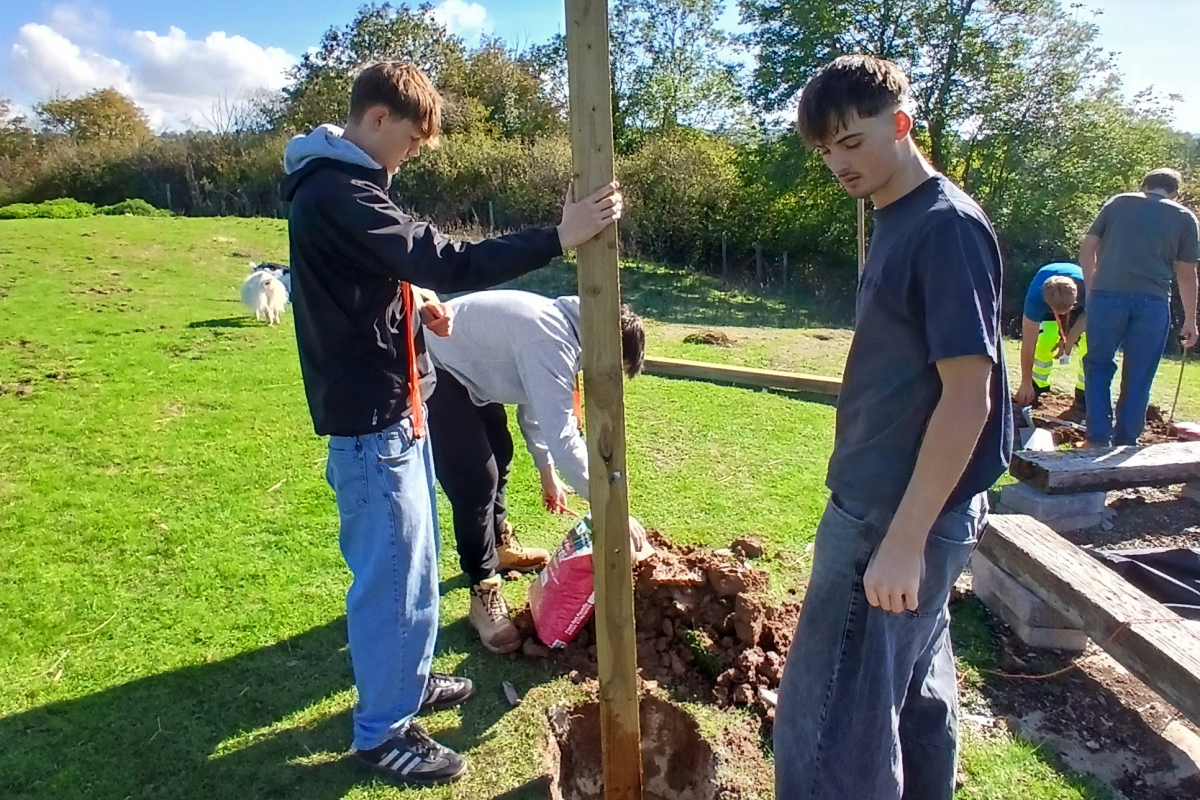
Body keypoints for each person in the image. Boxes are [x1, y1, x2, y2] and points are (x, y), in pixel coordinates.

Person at [280, 61, 623, 786]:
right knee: (392, 578)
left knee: (421, 562)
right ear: (376, 120)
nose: (405, 159)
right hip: (372, 422)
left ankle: (408, 681)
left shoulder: (345, 188)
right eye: (406, 142)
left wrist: (412, 301)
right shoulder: (340, 192)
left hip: (397, 409)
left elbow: (379, 276)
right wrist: (557, 237)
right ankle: (383, 733)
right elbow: (444, 254)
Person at [773, 55, 1012, 800]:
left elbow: (969, 396)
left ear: (900, 124)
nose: (838, 163)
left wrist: (903, 542)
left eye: (852, 141)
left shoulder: (943, 227)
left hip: (893, 519)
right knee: (913, 705)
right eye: (825, 151)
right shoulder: (899, 216)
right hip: (899, 511)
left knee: (828, 731)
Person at [421, 289, 645, 654]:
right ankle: (483, 592)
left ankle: (497, 544)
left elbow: (535, 406)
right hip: (440, 366)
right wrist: (610, 507)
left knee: (500, 452)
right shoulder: (550, 339)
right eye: (611, 366)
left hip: (470, 371)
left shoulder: (567, 333)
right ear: (605, 342)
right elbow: (563, 436)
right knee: (477, 478)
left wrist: (547, 473)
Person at [1080, 168, 1199, 447]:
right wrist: (1190, 320)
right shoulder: (1184, 217)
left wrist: (1091, 285)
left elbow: (1088, 247)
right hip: (1153, 302)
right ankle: (1126, 439)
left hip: (1107, 296)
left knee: (1097, 365)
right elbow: (1186, 273)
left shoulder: (1119, 202)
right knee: (1140, 372)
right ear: (1175, 192)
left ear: (1144, 185)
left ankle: (1097, 436)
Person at [1014, 262, 1088, 417]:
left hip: (1085, 305)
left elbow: (1089, 315)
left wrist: (1068, 342)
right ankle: (1037, 385)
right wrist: (1025, 382)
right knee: (1046, 337)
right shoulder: (1035, 299)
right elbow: (1028, 344)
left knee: (1090, 342)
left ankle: (1084, 395)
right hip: (1049, 296)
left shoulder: (1090, 285)